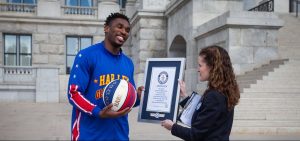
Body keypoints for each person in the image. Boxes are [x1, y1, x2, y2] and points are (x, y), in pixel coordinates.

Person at [67, 12, 144, 141]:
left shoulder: (128, 63)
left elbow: (127, 100)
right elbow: (74, 94)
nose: (124, 32)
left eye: (127, 30)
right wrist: (98, 112)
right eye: (119, 27)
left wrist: (138, 97)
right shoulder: (87, 55)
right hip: (89, 135)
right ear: (106, 28)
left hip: (119, 135)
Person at [161, 45, 240, 141]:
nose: (198, 69)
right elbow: (202, 117)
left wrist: (172, 127)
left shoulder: (214, 96)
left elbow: (195, 135)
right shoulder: (222, 91)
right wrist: (185, 97)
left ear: (212, 67)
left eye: (200, 65)